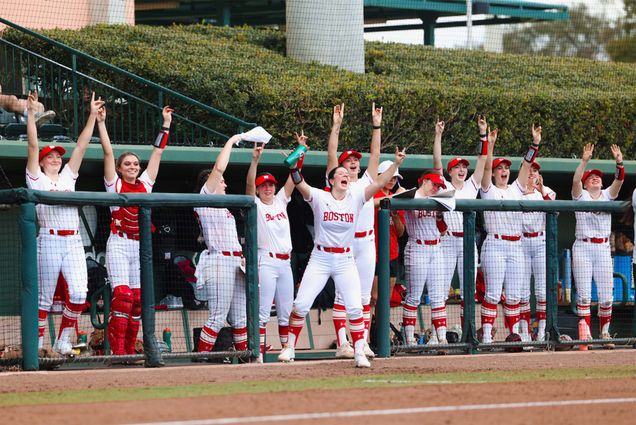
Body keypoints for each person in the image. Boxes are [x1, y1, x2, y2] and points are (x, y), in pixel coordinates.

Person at [278, 141, 406, 368]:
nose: (345, 175)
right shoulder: (320, 196)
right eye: (341, 173)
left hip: (345, 258)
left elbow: (380, 182)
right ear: (332, 180)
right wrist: (295, 166)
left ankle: (359, 353)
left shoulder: (356, 197)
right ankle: (289, 347)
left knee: (356, 306)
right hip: (320, 258)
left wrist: (396, 163)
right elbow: (299, 183)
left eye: (347, 173)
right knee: (301, 304)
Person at [26, 91, 103, 355]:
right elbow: (33, 147)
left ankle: (63, 340)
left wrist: (92, 115)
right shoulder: (36, 178)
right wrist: (30, 115)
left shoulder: (69, 177)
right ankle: (35, 347)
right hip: (48, 238)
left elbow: (81, 146)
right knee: (44, 298)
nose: (56, 158)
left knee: (80, 293)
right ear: (43, 162)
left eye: (58, 156)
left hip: (73, 240)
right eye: (51, 156)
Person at [99, 104, 173, 357]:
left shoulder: (145, 184)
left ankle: (130, 351)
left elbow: (158, 153)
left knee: (139, 301)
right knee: (123, 297)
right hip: (119, 243)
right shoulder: (115, 183)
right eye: (127, 164)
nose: (132, 166)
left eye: (135, 164)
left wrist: (166, 124)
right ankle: (118, 353)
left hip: (139, 246)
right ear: (120, 168)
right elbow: (108, 153)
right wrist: (101, 123)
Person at [326, 102, 381, 359]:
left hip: (367, 243)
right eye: (349, 161)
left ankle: (363, 342)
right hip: (345, 244)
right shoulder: (339, 184)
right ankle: (342, 344)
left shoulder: (367, 182)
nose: (354, 164)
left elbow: (376, 155)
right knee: (341, 294)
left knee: (363, 296)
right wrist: (336, 127)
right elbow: (331, 155)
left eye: (355, 161)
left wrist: (376, 125)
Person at [479, 124, 542, 344]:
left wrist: (534, 144)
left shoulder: (517, 187)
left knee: (514, 296)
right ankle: (486, 336)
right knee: (493, 294)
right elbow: (485, 170)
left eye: (506, 167)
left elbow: (526, 164)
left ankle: (514, 335)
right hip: (495, 244)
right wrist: (491, 145)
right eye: (500, 168)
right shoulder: (489, 189)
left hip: (516, 245)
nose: (503, 170)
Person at [245, 135, 306, 363]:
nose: (268, 188)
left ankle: (286, 352)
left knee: (286, 312)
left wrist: (301, 151)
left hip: (285, 262)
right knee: (262, 313)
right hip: (266, 259)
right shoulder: (257, 204)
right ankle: (258, 355)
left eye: (270, 184)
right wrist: (254, 161)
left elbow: (294, 178)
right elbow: (249, 185)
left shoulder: (281, 200)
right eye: (264, 185)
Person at [193, 134, 249, 357]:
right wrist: (231, 141)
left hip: (236, 261)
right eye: (221, 181)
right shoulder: (204, 200)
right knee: (218, 315)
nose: (224, 183)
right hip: (218, 260)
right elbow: (218, 169)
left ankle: (246, 358)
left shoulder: (225, 208)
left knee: (240, 317)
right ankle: (201, 358)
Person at [432, 116, 489, 331]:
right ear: (450, 171)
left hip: (467, 242)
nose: (462, 169)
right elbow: (436, 163)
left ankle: (468, 331)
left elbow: (482, 161)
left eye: (464, 166)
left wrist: (482, 135)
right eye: (457, 167)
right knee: (441, 288)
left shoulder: (472, 185)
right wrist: (438, 136)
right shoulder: (443, 184)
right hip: (447, 241)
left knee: (469, 290)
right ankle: (439, 334)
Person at [571, 143, 624, 347]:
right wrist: (585, 161)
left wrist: (619, 161)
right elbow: (576, 180)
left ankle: (605, 334)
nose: (595, 178)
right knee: (584, 296)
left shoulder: (607, 194)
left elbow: (619, 180)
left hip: (602, 247)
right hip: (583, 246)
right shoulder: (581, 195)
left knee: (606, 295)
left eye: (598, 177)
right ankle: (585, 336)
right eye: (591, 177)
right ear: (586, 185)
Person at [401, 169, 449, 346]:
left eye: (439, 186)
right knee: (414, 296)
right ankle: (409, 339)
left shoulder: (438, 200)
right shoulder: (410, 195)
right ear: (424, 181)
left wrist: (439, 216)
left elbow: (443, 231)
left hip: (436, 247)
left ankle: (442, 338)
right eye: (434, 184)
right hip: (417, 246)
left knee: (438, 296)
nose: (436, 188)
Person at [521, 161, 556, 342]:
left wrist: (541, 190)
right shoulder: (515, 190)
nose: (531, 173)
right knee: (523, 292)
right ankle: (525, 333)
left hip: (540, 241)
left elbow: (554, 210)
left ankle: (542, 332)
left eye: (535, 171)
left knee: (542, 292)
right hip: (521, 242)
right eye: (529, 170)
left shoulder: (547, 191)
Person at [370, 160, 405, 311]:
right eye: (390, 177)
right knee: (373, 297)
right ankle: (369, 333)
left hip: (392, 254)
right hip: (374, 252)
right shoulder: (372, 195)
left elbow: (401, 232)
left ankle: (381, 332)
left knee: (387, 298)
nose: (392, 181)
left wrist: (396, 215)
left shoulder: (396, 198)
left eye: (395, 178)